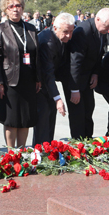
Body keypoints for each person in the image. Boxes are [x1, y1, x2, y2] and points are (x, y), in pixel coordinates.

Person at [0, 0, 41, 148]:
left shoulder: (31, 29)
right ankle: (11, 153)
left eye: (18, 5)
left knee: (25, 119)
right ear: (5, 10)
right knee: (11, 119)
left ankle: (22, 150)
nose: (15, 9)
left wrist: (38, 78)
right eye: (11, 6)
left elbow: (37, 55)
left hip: (29, 80)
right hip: (9, 81)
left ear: (23, 8)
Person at [66, 8, 109, 139]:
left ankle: (88, 141)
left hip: (88, 78)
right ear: (97, 19)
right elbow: (75, 62)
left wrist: (95, 73)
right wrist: (74, 89)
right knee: (78, 115)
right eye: (107, 26)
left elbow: (99, 55)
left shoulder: (101, 30)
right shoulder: (83, 32)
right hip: (75, 80)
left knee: (88, 111)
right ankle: (78, 145)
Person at [33, 13, 74, 145]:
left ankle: (48, 148)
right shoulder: (47, 42)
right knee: (43, 120)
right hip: (39, 83)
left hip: (47, 82)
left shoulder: (59, 37)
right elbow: (47, 74)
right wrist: (57, 98)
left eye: (71, 31)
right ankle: (39, 151)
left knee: (50, 117)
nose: (69, 36)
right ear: (55, 28)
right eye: (65, 32)